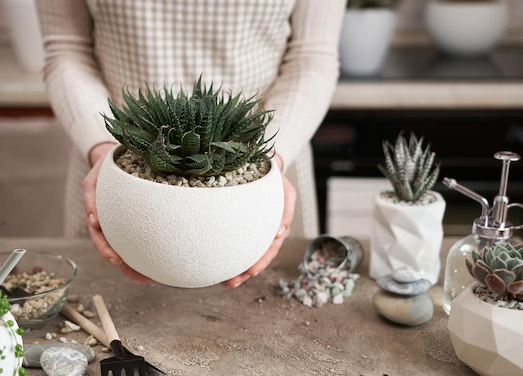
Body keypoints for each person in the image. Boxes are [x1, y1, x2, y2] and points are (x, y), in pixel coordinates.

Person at [35, 0, 346, 288]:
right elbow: (66, 49)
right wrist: (101, 149)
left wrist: (271, 157)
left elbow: (313, 55)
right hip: (119, 156)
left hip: (262, 153)